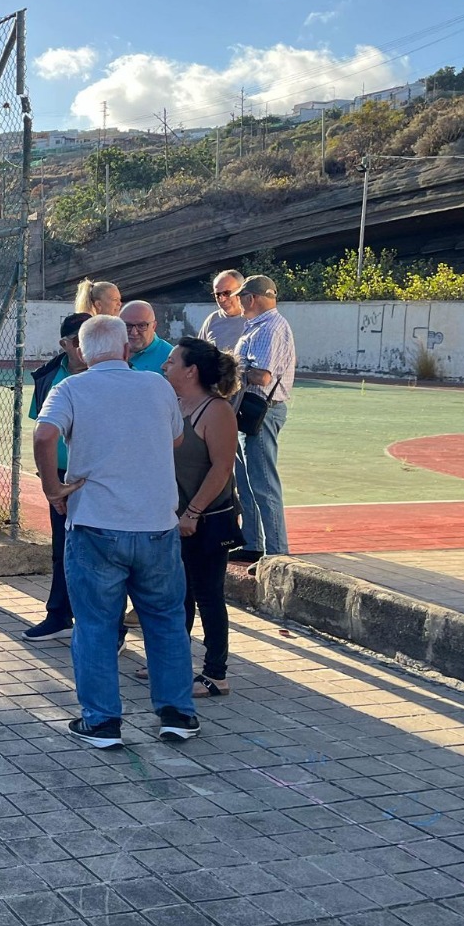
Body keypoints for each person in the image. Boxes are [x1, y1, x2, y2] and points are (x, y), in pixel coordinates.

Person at [34, 314, 200, 748]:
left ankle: (102, 721)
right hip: (156, 525)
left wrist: (53, 488)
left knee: (95, 625)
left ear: (83, 352)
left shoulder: (70, 388)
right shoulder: (157, 386)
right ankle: (177, 714)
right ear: (126, 349)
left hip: (96, 525)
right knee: (165, 621)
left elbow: (44, 435)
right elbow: (176, 439)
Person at [155, 338, 239, 696]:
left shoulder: (216, 411)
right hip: (173, 519)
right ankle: (175, 662)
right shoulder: (174, 404)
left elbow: (222, 468)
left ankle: (216, 674)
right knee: (178, 595)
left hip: (206, 520)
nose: (165, 366)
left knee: (208, 595)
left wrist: (192, 513)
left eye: (172, 361)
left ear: (191, 371)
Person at [23, 312, 89, 641]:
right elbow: (40, 430)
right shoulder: (48, 376)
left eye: (89, 339)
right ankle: (59, 614)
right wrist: (49, 480)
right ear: (64, 344)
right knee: (62, 547)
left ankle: (112, 627)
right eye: (77, 341)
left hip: (94, 476)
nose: (83, 348)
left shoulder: (110, 373)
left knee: (101, 548)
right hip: (59, 477)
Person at [231, 274, 296, 564]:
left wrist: (233, 367)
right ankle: (254, 543)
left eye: (240, 298)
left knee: (263, 482)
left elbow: (262, 376)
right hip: (252, 409)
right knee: (247, 480)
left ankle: (276, 553)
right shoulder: (262, 325)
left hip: (261, 409)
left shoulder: (268, 328)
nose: (238, 303)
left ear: (251, 298)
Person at [200, 269, 248, 352]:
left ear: (241, 290)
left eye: (226, 293)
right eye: (217, 294)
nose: (222, 299)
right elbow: (198, 353)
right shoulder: (212, 320)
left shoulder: (256, 320)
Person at [121, 300, 172, 374]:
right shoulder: (108, 351)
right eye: (127, 326)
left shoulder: (170, 358)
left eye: (141, 326)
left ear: (154, 326)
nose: (134, 332)